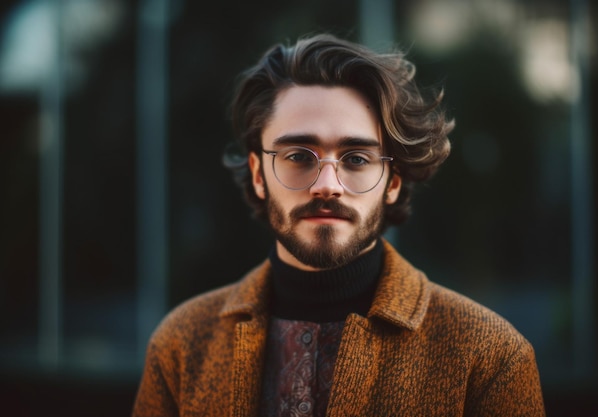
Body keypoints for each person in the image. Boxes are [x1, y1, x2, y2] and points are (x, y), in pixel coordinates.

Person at [132, 33, 545, 416]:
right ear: (258, 174)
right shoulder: (182, 344)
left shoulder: (490, 358)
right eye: (297, 156)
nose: (327, 186)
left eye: (357, 159)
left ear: (392, 181)